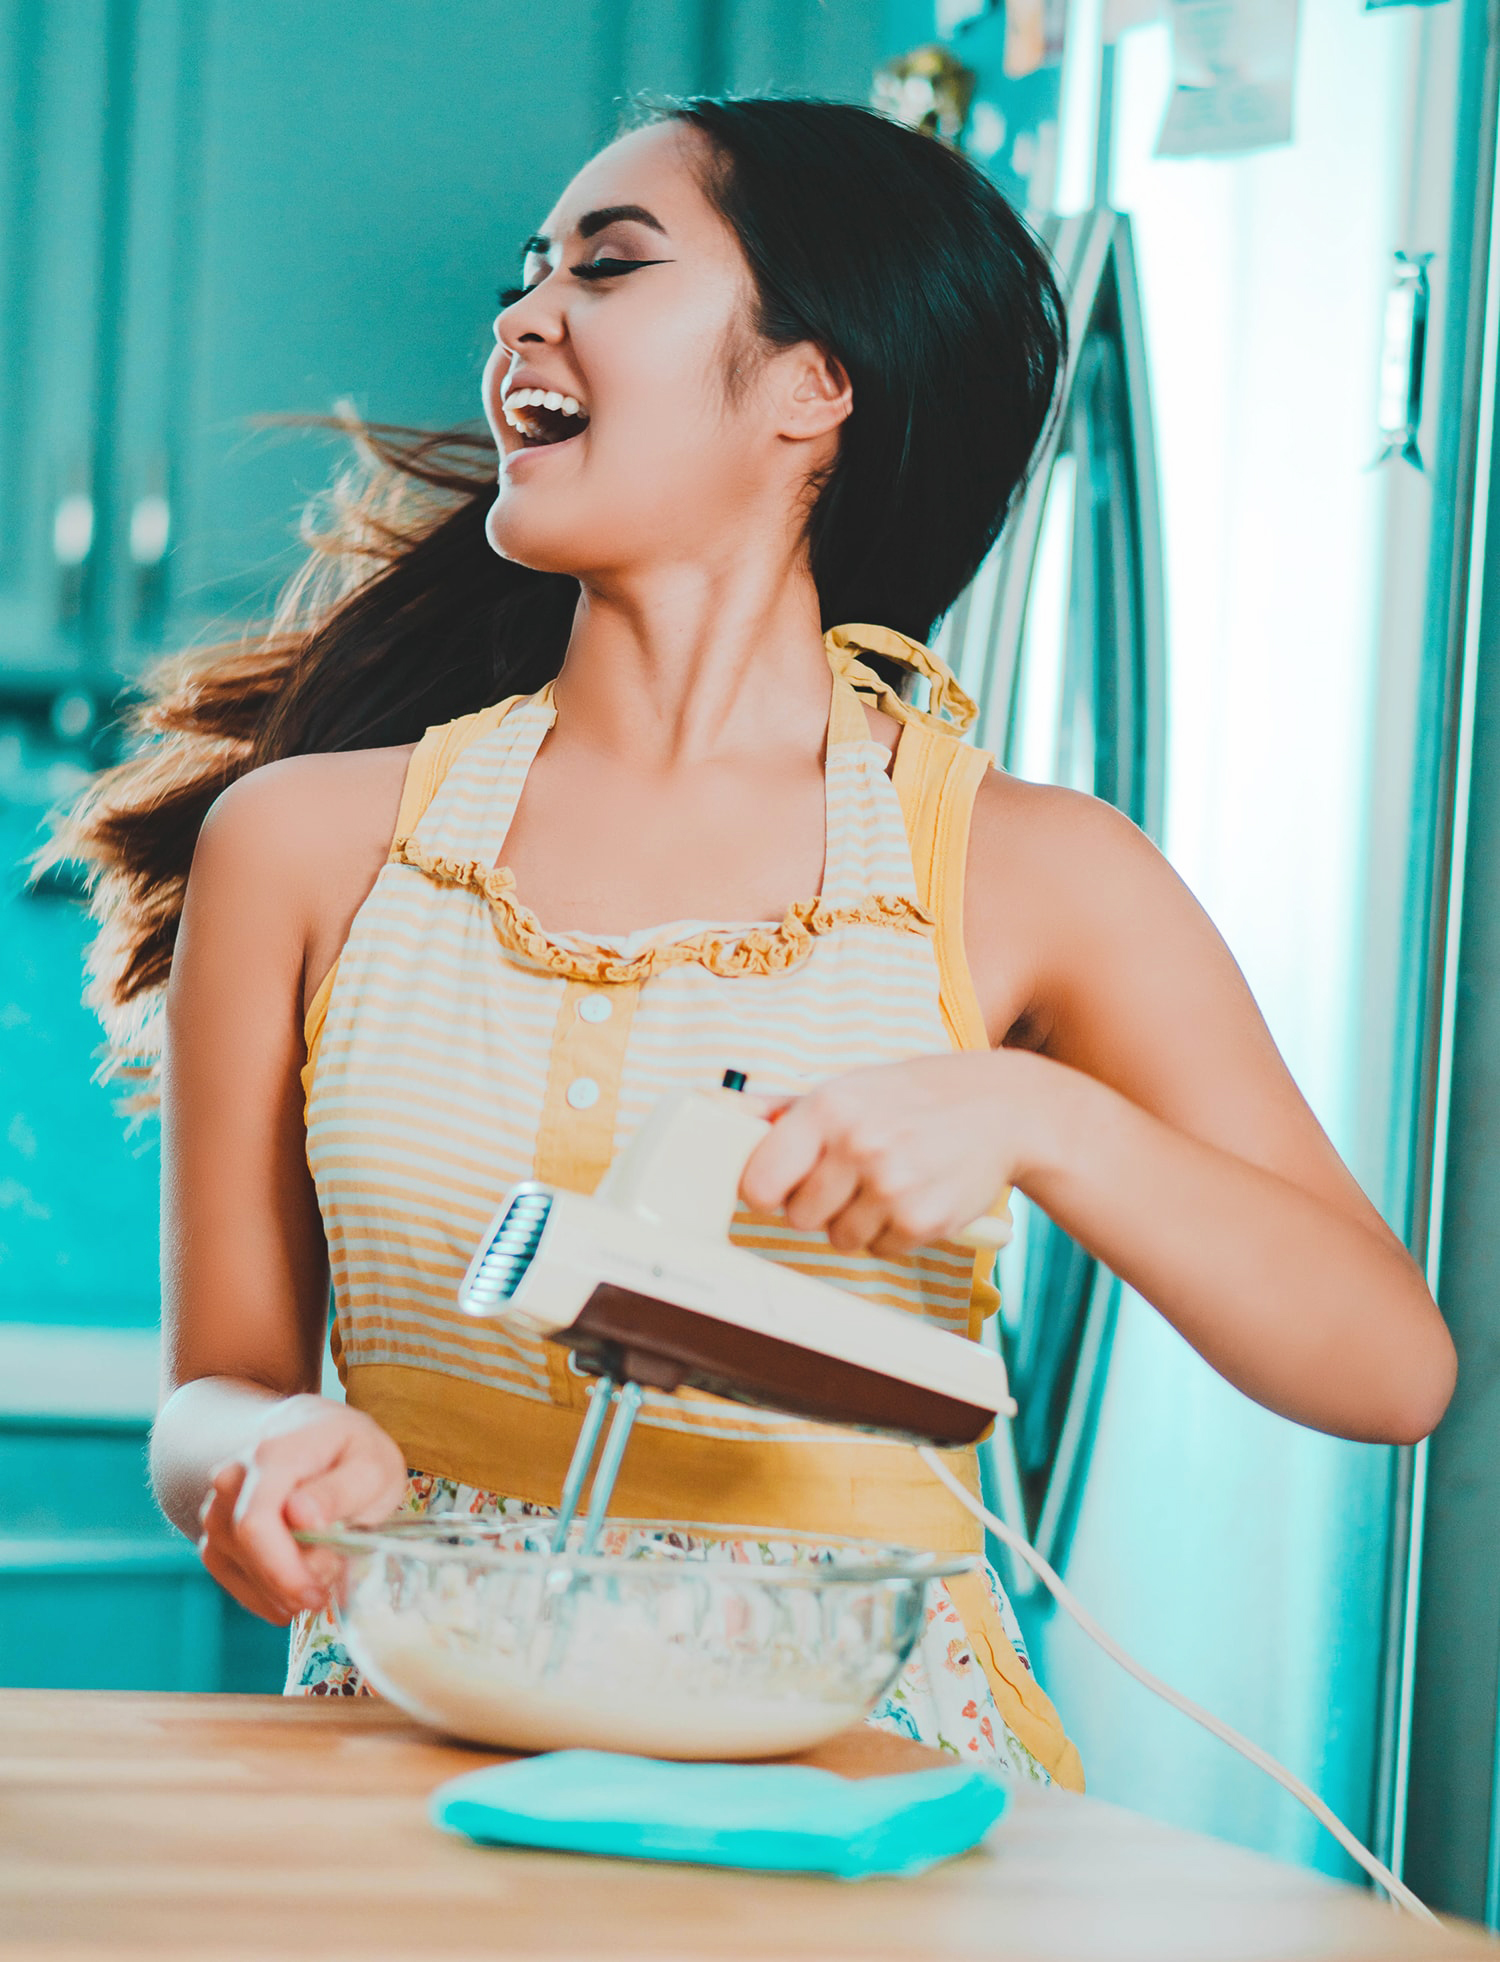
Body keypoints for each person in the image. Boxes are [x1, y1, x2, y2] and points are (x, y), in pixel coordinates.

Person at [56, 97, 1454, 1787]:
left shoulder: (1027, 874)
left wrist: (1043, 1122)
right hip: (413, 1766)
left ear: (815, 386)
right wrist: (262, 1450)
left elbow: (1390, 1364)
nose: (524, 313)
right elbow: (213, 1384)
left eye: (612, 265)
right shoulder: (305, 844)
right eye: (529, 273)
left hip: (876, 1799)